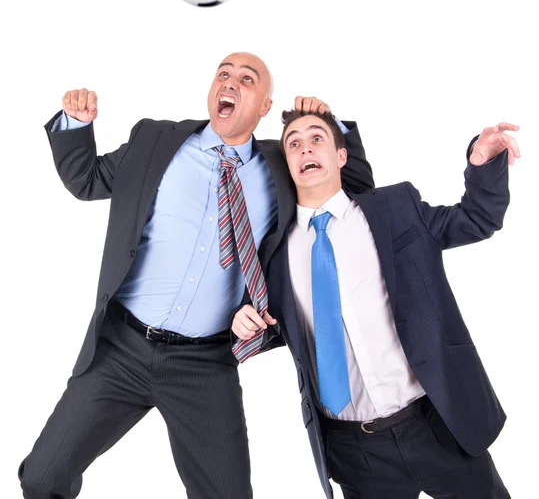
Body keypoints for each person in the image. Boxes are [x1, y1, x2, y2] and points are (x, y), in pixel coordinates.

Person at [18, 54, 374, 499]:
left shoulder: (281, 167)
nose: (231, 82)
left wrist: (328, 121)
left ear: (264, 107)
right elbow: (86, 180)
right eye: (224, 74)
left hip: (203, 364)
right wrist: (75, 123)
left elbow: (357, 190)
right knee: (42, 477)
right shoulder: (155, 141)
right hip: (120, 351)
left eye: (248, 79)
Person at [233, 109, 520, 498]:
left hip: (437, 425)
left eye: (317, 138)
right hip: (355, 452)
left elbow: (475, 219)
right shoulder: (273, 254)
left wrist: (482, 162)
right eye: (294, 144)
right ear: (287, 164)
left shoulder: (394, 209)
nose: (305, 149)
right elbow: (276, 328)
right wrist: (246, 324)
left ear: (341, 155)